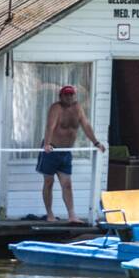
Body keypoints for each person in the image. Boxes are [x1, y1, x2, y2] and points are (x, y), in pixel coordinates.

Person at [37, 85, 106, 223]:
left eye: (71, 95)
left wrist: (96, 142)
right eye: (66, 95)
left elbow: (86, 125)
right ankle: (49, 214)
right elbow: (50, 126)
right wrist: (47, 144)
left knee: (67, 184)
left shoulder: (77, 108)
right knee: (49, 182)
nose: (69, 97)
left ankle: (72, 215)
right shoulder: (56, 108)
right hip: (52, 150)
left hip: (65, 152)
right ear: (61, 96)